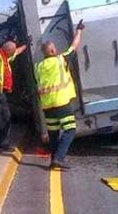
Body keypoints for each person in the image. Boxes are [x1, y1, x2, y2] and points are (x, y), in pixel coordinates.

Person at [35, 20, 85, 169]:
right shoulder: (60, 60)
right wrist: (79, 30)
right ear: (51, 51)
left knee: (54, 134)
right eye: (54, 48)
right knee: (70, 130)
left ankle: (53, 160)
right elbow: (74, 46)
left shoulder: (38, 67)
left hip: (47, 106)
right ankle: (59, 158)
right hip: (61, 103)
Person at [0, 40, 27, 153]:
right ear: (7, 51)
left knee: (5, 118)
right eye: (11, 52)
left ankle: (3, 143)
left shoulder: (4, 57)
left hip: (1, 93)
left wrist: (25, 45)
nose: (13, 54)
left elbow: (16, 52)